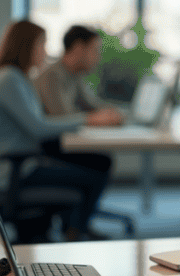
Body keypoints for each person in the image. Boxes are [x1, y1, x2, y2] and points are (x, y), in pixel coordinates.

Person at [0, 20, 122, 241]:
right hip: (14, 170)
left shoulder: (19, 78)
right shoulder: (10, 79)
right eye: (42, 45)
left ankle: (71, 230)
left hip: (26, 162)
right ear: (26, 47)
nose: (45, 52)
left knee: (96, 166)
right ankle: (74, 232)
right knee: (91, 174)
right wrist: (88, 120)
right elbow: (38, 127)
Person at [33, 25, 124, 201]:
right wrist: (94, 119)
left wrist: (117, 113)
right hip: (48, 147)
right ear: (79, 48)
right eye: (95, 50)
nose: (98, 57)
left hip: (61, 142)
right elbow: (61, 118)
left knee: (102, 160)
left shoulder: (74, 75)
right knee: (101, 163)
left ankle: (75, 224)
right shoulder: (52, 76)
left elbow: (93, 105)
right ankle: (75, 226)